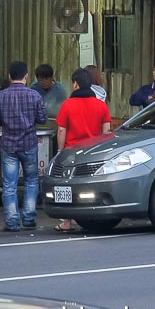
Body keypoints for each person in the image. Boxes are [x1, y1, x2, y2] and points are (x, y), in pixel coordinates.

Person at [0, 61, 47, 232]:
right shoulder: (34, 95)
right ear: (26, 76)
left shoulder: (0, 96)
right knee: (31, 181)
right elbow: (42, 118)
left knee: (9, 184)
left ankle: (12, 221)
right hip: (29, 143)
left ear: (9, 76)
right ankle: (29, 218)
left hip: (9, 145)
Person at [54, 69, 112, 233]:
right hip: (94, 152)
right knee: (91, 185)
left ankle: (66, 222)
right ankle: (93, 216)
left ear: (75, 84)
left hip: (72, 153)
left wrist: (60, 150)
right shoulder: (101, 105)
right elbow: (106, 131)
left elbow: (61, 130)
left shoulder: (67, 105)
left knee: (67, 186)